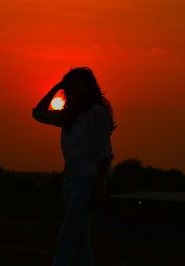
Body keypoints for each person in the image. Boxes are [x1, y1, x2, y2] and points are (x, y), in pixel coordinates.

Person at [32, 67, 116, 266]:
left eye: (77, 86)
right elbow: (38, 113)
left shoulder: (96, 113)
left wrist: (99, 187)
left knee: (66, 241)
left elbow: (103, 154)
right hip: (70, 181)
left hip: (88, 182)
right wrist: (56, 87)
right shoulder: (69, 116)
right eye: (69, 87)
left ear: (88, 88)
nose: (72, 91)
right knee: (80, 243)